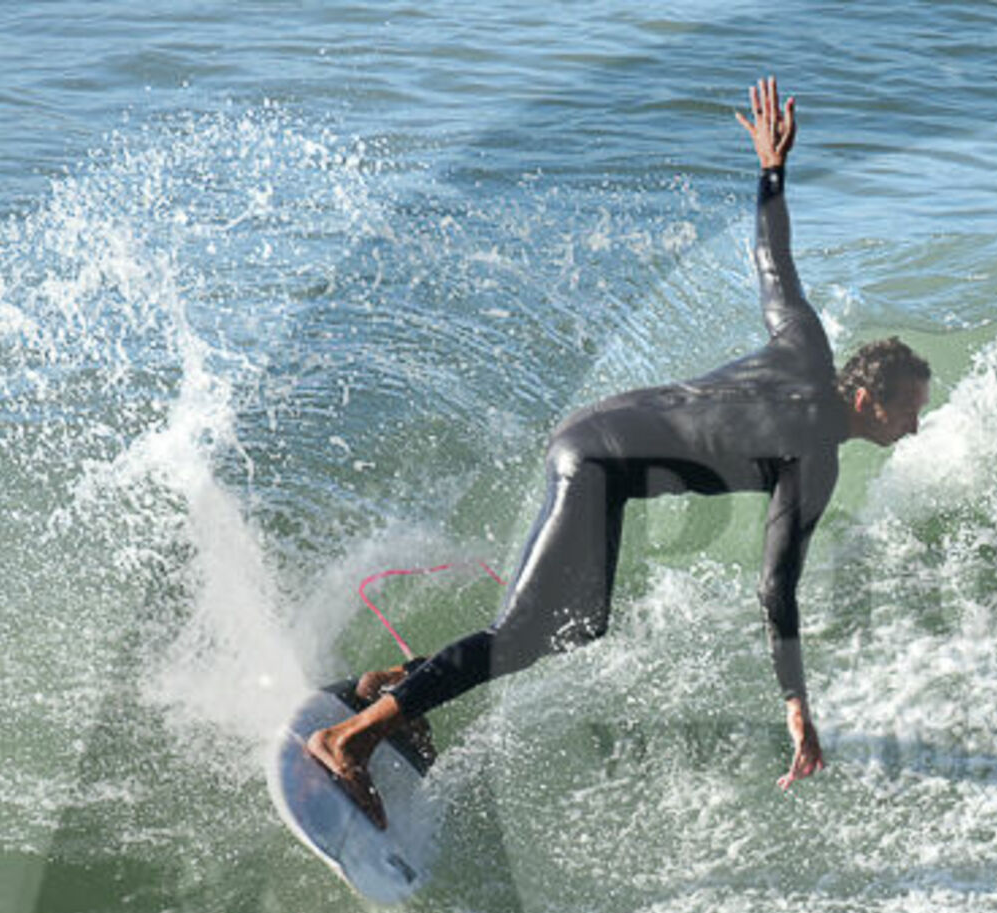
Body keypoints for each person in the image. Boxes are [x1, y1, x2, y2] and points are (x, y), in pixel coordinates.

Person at [307, 76, 931, 827]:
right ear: (867, 399)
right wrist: (796, 701)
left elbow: (773, 260)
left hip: (595, 438)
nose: (912, 428)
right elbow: (777, 588)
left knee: (578, 625)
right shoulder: (815, 459)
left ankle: (392, 688)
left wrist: (772, 171)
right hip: (596, 465)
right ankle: (349, 738)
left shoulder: (805, 344)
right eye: (908, 411)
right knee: (522, 635)